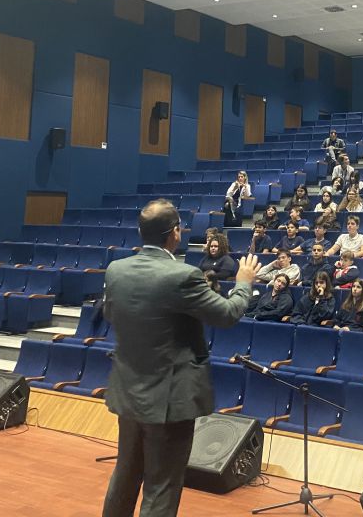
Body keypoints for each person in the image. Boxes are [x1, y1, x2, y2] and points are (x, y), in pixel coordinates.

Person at [100, 200, 259, 517]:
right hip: (169, 401)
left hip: (129, 392)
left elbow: (110, 314)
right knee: (161, 487)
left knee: (125, 475)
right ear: (175, 233)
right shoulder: (183, 275)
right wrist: (243, 283)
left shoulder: (116, 270)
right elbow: (227, 314)